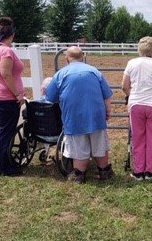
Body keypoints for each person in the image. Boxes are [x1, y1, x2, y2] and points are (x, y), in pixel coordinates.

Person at [45, 46, 114, 184]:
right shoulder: (94, 71)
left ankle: (79, 174)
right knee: (99, 144)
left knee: (78, 146)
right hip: (96, 115)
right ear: (82, 57)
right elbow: (107, 95)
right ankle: (104, 170)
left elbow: (50, 97)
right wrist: (107, 111)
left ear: (66, 58)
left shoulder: (61, 74)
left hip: (74, 118)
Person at [121, 36, 152, 181]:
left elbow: (124, 86)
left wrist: (132, 95)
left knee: (138, 137)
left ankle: (138, 171)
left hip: (136, 104)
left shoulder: (131, 63)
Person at [0, 17, 25, 177]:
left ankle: (5, 164)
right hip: (7, 98)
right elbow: (6, 73)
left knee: (4, 132)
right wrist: (17, 94)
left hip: (1, 96)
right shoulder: (6, 51)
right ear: (12, 35)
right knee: (6, 133)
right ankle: (4, 168)